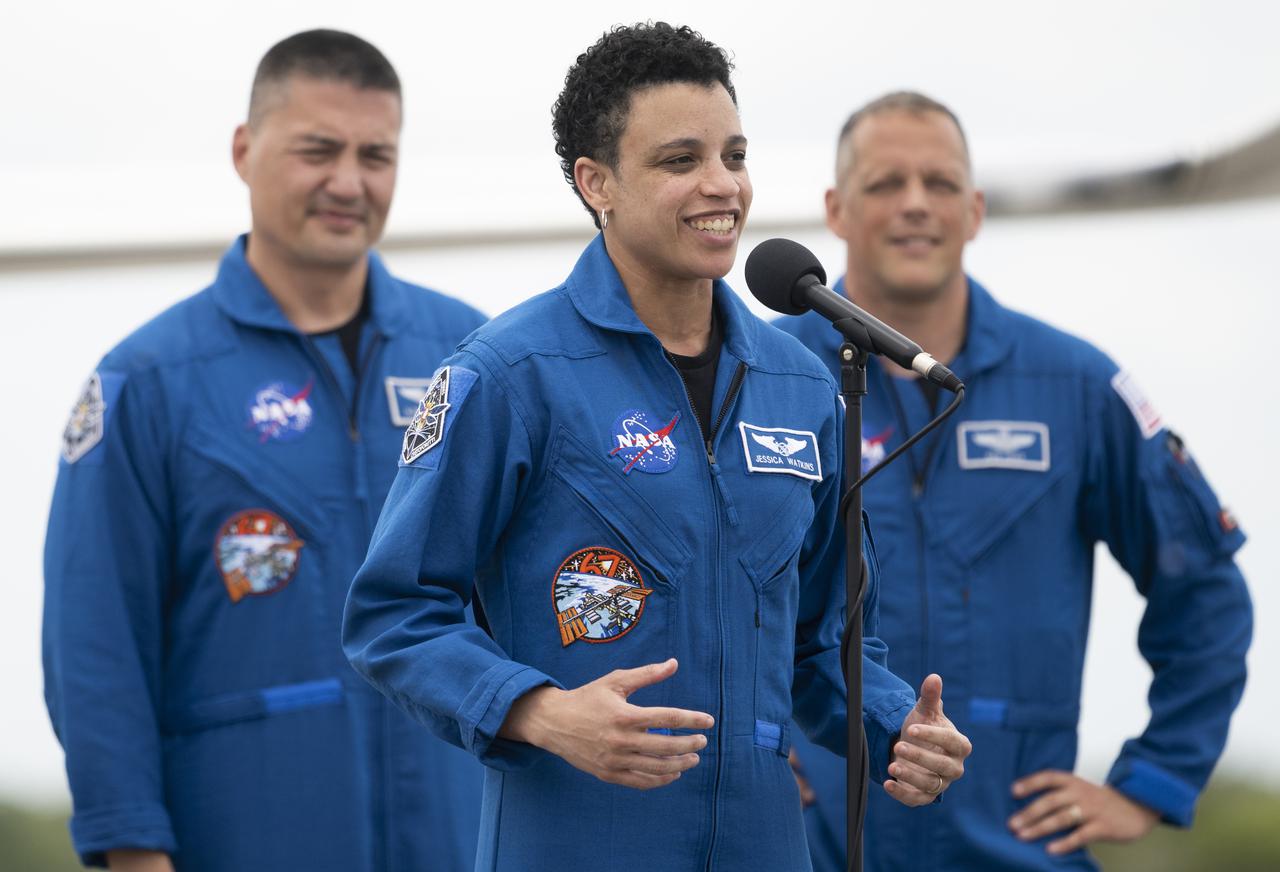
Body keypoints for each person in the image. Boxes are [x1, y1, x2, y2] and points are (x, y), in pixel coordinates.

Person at [341, 24, 971, 872]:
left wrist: (896, 722)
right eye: (681, 161)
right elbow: (394, 616)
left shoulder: (803, 384)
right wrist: (538, 711)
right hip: (571, 840)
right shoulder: (510, 373)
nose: (722, 186)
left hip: (763, 844)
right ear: (595, 183)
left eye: (735, 155)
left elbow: (825, 642)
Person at [43, 30, 487, 872]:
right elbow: (93, 648)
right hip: (242, 835)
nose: (348, 183)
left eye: (375, 155)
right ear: (245, 152)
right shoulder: (149, 382)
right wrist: (131, 850)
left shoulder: (472, 357)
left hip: (458, 836)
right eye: (318, 150)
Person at [775, 91, 1253, 871]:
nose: (915, 206)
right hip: (807, 845)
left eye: (940, 183)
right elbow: (685, 593)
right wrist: (735, 750)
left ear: (975, 209)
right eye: (886, 183)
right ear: (835, 209)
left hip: (1017, 848)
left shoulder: (1075, 384)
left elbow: (1203, 588)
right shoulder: (761, 379)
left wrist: (1152, 780)